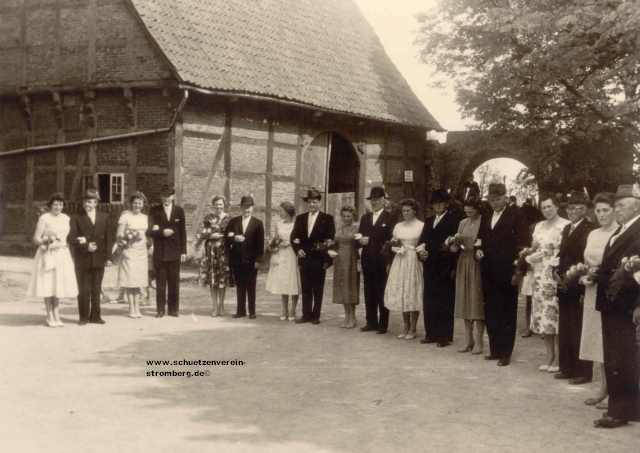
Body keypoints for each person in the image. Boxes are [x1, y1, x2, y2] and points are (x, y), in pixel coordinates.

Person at [593, 184, 640, 428]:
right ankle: (628, 409)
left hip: (626, 306)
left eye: (622, 205)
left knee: (621, 358)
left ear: (637, 205)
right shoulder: (620, 231)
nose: (617, 209)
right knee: (615, 357)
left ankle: (618, 412)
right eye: (617, 205)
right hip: (611, 304)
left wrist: (639, 306)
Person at [475, 183, 528, 367]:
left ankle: (506, 353)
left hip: (507, 271)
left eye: (498, 199)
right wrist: (478, 250)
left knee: (506, 311)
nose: (495, 203)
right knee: (490, 310)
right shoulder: (486, 216)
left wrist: (518, 271)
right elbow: (480, 239)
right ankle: (494, 350)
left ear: (506, 198)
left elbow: (523, 246)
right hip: (488, 270)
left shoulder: (516, 216)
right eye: (492, 199)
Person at [579, 192, 617, 407]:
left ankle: (615, 390)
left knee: (610, 341)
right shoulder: (593, 234)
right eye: (599, 211)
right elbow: (587, 261)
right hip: (593, 290)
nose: (601, 214)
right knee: (597, 341)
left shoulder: (619, 233)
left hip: (610, 291)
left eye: (606, 210)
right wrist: (585, 275)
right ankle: (604, 387)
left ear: (614, 210)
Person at [553, 191, 596, 384]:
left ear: (585, 210)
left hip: (579, 283)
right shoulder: (567, 228)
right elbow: (562, 254)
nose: (572, 212)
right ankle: (567, 368)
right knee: (566, 327)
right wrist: (556, 269)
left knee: (579, 327)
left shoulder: (590, 228)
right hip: (563, 282)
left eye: (577, 208)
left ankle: (583, 372)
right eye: (570, 208)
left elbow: (585, 258)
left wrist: (573, 274)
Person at [527, 192, 571, 372]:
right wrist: (530, 257)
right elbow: (533, 247)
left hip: (555, 276)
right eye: (544, 207)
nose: (547, 210)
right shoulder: (538, 226)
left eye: (550, 207)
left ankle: (560, 359)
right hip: (539, 276)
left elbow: (568, 251)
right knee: (543, 317)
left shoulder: (565, 225)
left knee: (556, 316)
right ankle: (549, 356)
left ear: (557, 206)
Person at [27, 192, 78, 327]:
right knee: (48, 283)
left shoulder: (66, 218)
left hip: (62, 253)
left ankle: (56, 314)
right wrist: (47, 241)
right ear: (51, 205)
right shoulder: (44, 218)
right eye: (56, 204)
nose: (58, 207)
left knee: (58, 284)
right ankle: (49, 315)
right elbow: (36, 238)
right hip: (48, 253)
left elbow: (66, 236)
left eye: (61, 204)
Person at [418, 189, 460, 347]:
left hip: (445, 266)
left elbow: (456, 245)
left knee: (445, 299)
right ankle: (431, 333)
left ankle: (445, 336)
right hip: (429, 265)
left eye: (441, 202)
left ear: (447, 203)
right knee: (429, 298)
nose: (438, 205)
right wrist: (420, 253)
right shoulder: (428, 221)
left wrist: (453, 266)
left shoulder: (454, 220)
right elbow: (422, 241)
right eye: (435, 203)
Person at [68, 188, 114, 325]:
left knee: (96, 289)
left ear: (96, 203)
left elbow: (108, 239)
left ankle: (95, 316)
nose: (87, 204)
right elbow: (71, 238)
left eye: (90, 202)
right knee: (83, 289)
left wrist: (109, 258)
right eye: (85, 202)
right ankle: (83, 317)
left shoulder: (103, 217)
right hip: (83, 258)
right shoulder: (76, 217)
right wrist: (85, 246)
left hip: (99, 258)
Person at [291, 188, 336, 325]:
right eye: (310, 202)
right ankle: (306, 314)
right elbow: (294, 237)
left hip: (319, 259)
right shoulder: (300, 218)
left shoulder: (327, 219)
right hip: (304, 258)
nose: (311, 205)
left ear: (319, 203)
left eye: (314, 202)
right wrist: (298, 250)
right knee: (305, 287)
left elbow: (330, 240)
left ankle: (316, 315)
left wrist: (328, 260)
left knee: (317, 287)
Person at [357, 187, 397, 334]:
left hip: (381, 261)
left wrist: (389, 262)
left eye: (377, 200)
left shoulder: (390, 217)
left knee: (381, 292)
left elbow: (392, 241)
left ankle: (383, 324)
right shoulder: (365, 218)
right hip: (367, 260)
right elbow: (358, 236)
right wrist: (360, 241)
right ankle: (371, 322)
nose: (374, 202)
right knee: (369, 292)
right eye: (372, 200)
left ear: (383, 200)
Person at [385, 199, 424, 340]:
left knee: (412, 291)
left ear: (415, 210)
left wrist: (418, 251)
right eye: (403, 211)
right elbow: (393, 242)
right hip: (400, 260)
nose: (405, 213)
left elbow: (423, 244)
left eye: (408, 210)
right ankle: (406, 326)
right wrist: (394, 248)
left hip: (413, 260)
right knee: (402, 291)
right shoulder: (398, 226)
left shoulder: (421, 226)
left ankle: (413, 327)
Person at [451, 196, 485, 354]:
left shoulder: (484, 221)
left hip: (477, 264)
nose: (468, 212)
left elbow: (486, 242)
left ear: (478, 208)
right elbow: (458, 242)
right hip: (463, 263)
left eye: (471, 209)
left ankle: (479, 341)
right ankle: (468, 340)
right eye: (466, 210)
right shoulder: (462, 223)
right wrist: (454, 247)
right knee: (464, 300)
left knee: (476, 302)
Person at [148, 184, 187, 318]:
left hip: (175, 252)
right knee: (160, 282)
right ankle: (160, 310)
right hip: (160, 252)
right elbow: (149, 231)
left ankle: (173, 309)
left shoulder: (179, 211)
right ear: (161, 196)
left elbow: (183, 232)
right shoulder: (154, 210)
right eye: (164, 196)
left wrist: (183, 252)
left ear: (173, 196)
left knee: (174, 282)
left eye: (169, 196)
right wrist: (162, 232)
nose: (166, 198)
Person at [226, 195, 265, 319]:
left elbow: (260, 243)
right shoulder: (234, 221)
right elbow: (227, 237)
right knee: (240, 285)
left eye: (248, 207)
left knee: (251, 285)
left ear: (252, 208)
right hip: (237, 259)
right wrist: (234, 238)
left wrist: (259, 260)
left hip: (251, 260)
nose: (246, 209)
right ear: (241, 208)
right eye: (244, 207)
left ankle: (252, 311)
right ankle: (240, 311)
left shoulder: (258, 223)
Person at [197, 195, 232, 317]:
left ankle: (222, 305)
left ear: (224, 205)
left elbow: (231, 234)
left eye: (220, 204)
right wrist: (210, 236)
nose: (218, 207)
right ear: (213, 205)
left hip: (223, 252)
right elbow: (202, 234)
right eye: (216, 204)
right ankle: (214, 306)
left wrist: (223, 237)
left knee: (221, 279)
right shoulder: (208, 218)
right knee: (213, 279)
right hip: (211, 252)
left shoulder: (229, 218)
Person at [116, 191, 149, 319]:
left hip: (141, 251)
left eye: (140, 203)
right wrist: (130, 237)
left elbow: (147, 234)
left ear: (143, 204)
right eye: (135, 203)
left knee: (138, 281)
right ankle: (131, 308)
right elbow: (119, 235)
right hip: (129, 251)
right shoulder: (125, 216)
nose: (137, 205)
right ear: (131, 203)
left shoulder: (145, 217)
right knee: (130, 281)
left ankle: (137, 308)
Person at [266, 202, 300, 321]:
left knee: (293, 281)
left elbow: (299, 240)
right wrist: (279, 244)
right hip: (282, 254)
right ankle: (284, 309)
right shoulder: (279, 224)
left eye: (281, 211)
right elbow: (275, 240)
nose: (279, 213)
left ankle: (293, 310)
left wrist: (291, 243)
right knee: (283, 281)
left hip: (293, 254)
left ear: (287, 212)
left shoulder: (297, 224)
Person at [332, 205, 360, 328]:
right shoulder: (338, 229)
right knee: (342, 287)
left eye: (349, 216)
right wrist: (331, 250)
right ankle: (346, 316)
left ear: (354, 216)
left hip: (351, 260)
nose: (346, 218)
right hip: (339, 260)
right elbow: (334, 244)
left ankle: (353, 317)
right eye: (344, 216)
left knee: (350, 287)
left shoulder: (358, 229)